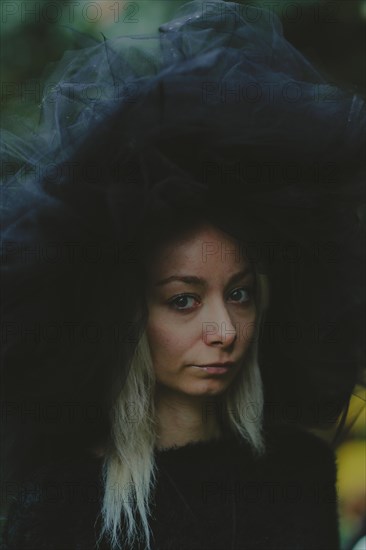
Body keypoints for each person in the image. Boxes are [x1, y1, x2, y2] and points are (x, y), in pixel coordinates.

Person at [1, 1, 365, 549]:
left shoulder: (296, 473)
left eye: (239, 294)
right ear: (127, 312)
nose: (225, 331)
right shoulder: (65, 497)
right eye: (183, 301)